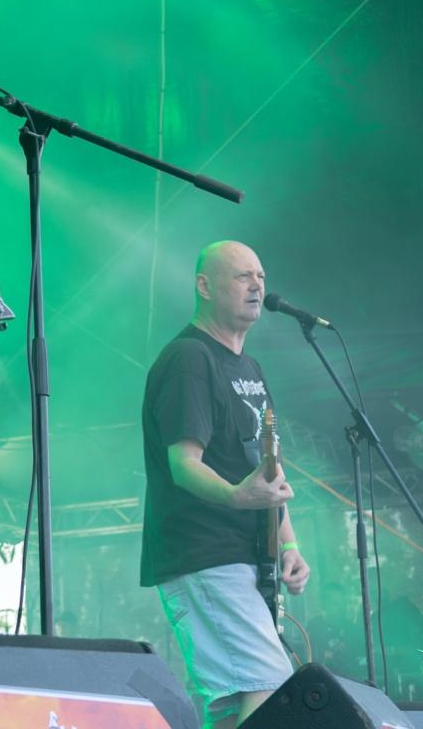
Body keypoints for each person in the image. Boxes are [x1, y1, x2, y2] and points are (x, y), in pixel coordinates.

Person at [140, 240, 311, 728]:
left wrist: (289, 543)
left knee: (241, 705)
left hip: (244, 559)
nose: (257, 285)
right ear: (204, 286)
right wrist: (237, 496)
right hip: (205, 553)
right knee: (270, 687)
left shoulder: (250, 368)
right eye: (242, 276)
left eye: (261, 276)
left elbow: (269, 470)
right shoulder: (190, 358)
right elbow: (183, 464)